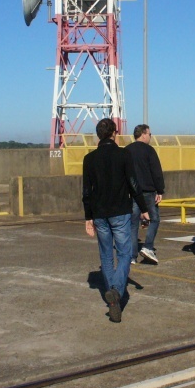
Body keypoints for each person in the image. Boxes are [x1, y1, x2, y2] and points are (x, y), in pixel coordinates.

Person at [82, 118, 149, 323]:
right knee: (125, 252)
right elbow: (133, 184)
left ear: (98, 135)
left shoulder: (89, 158)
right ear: (114, 133)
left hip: (100, 213)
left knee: (106, 256)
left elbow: (86, 192)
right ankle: (117, 291)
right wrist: (144, 209)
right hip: (120, 212)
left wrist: (88, 217)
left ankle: (113, 301)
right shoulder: (123, 154)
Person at [125, 124, 165, 265]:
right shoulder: (149, 150)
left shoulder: (127, 150)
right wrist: (160, 190)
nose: (150, 136)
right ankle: (148, 246)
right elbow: (156, 172)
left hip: (131, 192)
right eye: (149, 134)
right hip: (148, 191)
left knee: (133, 223)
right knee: (154, 219)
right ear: (143, 134)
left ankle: (131, 256)